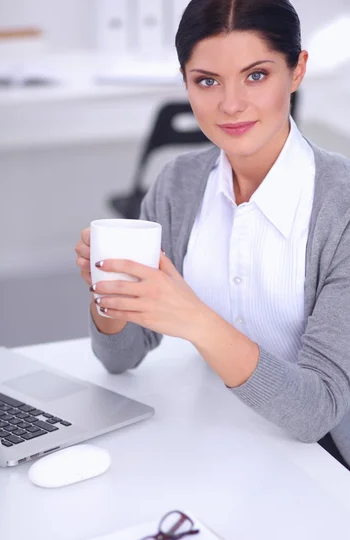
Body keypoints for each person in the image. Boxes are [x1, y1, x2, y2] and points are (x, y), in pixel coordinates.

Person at [75, 0, 350, 469]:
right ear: (185, 81)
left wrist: (192, 318)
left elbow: (316, 413)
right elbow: (120, 358)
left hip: (323, 465)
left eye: (257, 75)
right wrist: (109, 295)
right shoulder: (179, 184)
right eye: (207, 81)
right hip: (224, 440)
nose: (230, 104)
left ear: (297, 70)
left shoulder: (339, 206)